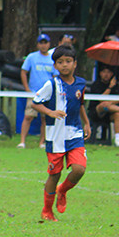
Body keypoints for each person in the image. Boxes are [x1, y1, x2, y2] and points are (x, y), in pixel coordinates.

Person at [31, 44, 90, 222]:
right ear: (55, 65)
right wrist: (50, 112)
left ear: (75, 64)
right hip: (55, 136)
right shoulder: (51, 84)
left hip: (75, 133)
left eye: (68, 61)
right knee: (54, 174)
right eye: (60, 62)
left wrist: (87, 123)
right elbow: (35, 102)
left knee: (79, 169)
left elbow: (80, 104)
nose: (64, 65)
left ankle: (62, 190)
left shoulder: (81, 84)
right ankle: (47, 211)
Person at [17, 33, 55, 149]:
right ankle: (22, 141)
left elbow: (55, 76)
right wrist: (27, 88)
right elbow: (24, 71)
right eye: (41, 43)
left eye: (45, 43)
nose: (43, 46)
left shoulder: (53, 59)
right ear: (38, 45)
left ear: (49, 44)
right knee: (28, 116)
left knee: (45, 118)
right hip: (34, 92)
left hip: (47, 94)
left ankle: (42, 142)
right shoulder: (32, 57)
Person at [89, 64, 119, 148]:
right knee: (103, 104)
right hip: (97, 112)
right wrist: (110, 87)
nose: (106, 74)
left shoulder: (116, 85)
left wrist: (109, 102)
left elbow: (118, 99)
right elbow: (101, 99)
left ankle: (117, 140)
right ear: (100, 73)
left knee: (117, 115)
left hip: (110, 112)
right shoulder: (96, 84)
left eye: (108, 72)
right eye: (104, 72)